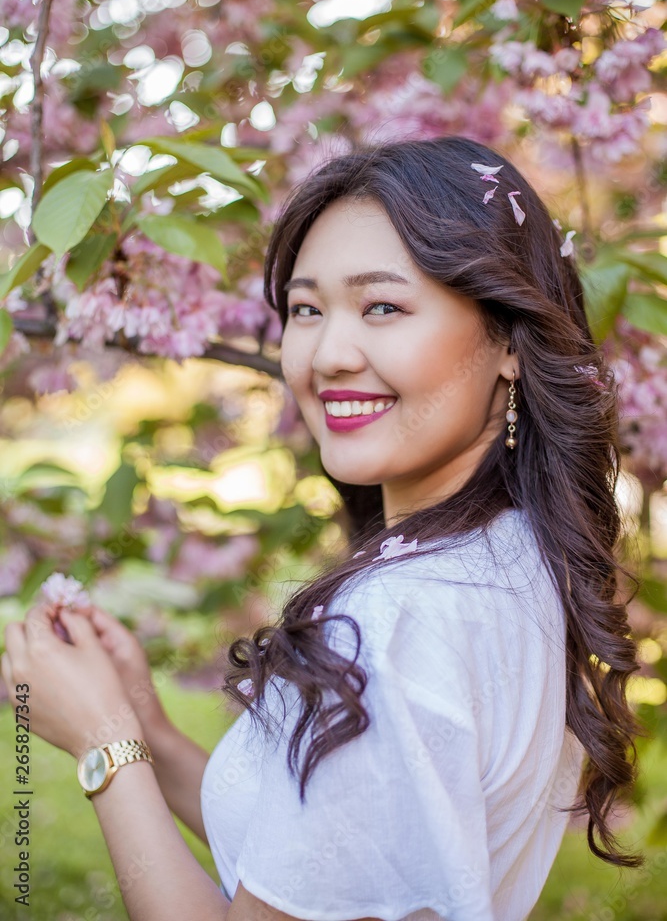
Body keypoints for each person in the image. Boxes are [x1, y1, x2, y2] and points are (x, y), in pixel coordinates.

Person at [1, 135, 643, 921]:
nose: (328, 354)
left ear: (507, 339)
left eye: (383, 306)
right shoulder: (507, 558)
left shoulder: (395, 620)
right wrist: (152, 732)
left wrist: (105, 745)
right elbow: (339, 866)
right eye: (306, 310)